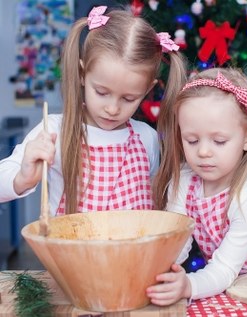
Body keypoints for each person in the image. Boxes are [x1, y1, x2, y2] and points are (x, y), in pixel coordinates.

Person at [0, 6, 187, 215]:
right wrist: (22, 179)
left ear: (147, 90)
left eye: (128, 98)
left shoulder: (147, 138)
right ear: (82, 74)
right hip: (72, 248)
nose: (112, 109)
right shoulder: (54, 131)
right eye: (101, 92)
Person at [148, 67, 247, 305]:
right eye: (192, 140)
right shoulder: (185, 181)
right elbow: (176, 241)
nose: (204, 151)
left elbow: (224, 268)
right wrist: (153, 272)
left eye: (219, 141)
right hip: (227, 289)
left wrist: (188, 285)